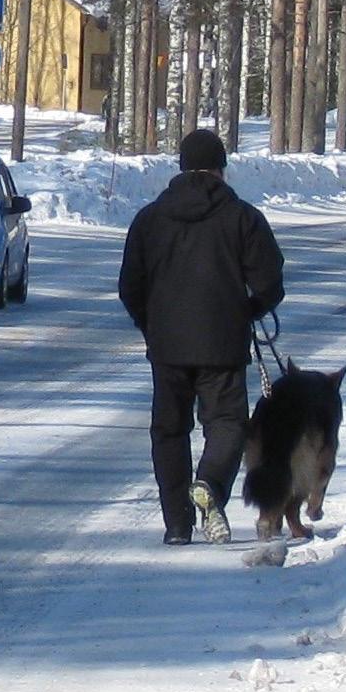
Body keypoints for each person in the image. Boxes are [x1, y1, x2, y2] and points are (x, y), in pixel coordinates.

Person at [118, 128, 284, 546]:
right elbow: (269, 281)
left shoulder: (149, 219)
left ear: (180, 167)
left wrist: (151, 323)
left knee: (169, 432)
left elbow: (129, 286)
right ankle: (209, 484)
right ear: (221, 169)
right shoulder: (243, 217)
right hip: (223, 345)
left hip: (167, 346)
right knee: (227, 423)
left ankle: (177, 525)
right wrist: (244, 313)